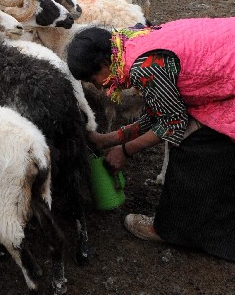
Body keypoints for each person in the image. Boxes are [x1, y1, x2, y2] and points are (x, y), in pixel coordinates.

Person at [66, 18, 235, 262]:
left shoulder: (144, 66)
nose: (100, 88)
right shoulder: (129, 42)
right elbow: (159, 109)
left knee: (196, 147)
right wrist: (107, 140)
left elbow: (171, 122)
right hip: (223, 56)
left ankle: (177, 230)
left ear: (104, 63)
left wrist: (124, 151)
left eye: (94, 80)